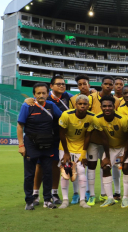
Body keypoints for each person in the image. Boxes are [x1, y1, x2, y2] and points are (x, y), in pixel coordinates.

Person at [23, 76, 72, 205]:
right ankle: (35, 194)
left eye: (63, 84)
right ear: (51, 86)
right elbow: (22, 120)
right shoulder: (44, 99)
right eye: (58, 84)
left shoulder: (68, 96)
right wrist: (28, 100)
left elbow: (78, 99)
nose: (61, 86)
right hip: (40, 139)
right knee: (39, 165)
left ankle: (53, 194)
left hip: (57, 138)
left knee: (55, 165)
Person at [17, 83, 63, 210]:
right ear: (34, 94)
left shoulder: (51, 106)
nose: (41, 95)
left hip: (48, 143)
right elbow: (20, 126)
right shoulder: (27, 105)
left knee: (48, 173)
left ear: (47, 94)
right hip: (31, 144)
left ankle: (47, 200)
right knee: (29, 174)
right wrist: (21, 145)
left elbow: (63, 118)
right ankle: (29, 201)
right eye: (38, 93)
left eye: (43, 93)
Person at [58, 94, 107, 209]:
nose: (82, 106)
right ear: (75, 105)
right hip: (66, 147)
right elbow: (61, 133)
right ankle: (65, 200)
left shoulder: (91, 117)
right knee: (65, 172)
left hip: (80, 147)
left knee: (81, 172)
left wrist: (84, 153)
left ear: (88, 106)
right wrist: (66, 153)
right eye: (80, 104)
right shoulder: (66, 115)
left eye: (85, 104)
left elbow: (87, 136)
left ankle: (82, 200)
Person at [86, 76, 121, 206]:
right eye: (105, 84)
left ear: (113, 86)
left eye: (110, 84)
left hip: (109, 141)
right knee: (91, 166)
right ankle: (91, 195)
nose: (108, 86)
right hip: (94, 139)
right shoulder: (91, 98)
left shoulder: (117, 101)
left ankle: (104, 194)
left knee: (105, 166)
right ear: (101, 84)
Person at [95, 96, 128, 207]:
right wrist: (107, 157)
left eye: (110, 106)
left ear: (114, 107)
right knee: (105, 167)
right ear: (101, 107)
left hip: (123, 146)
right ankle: (110, 198)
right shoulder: (97, 118)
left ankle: (125, 197)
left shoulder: (122, 119)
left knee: (126, 167)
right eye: (104, 106)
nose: (107, 108)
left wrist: (125, 154)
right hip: (110, 147)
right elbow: (104, 139)